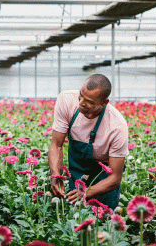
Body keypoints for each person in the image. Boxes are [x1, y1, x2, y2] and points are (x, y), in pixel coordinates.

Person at [48, 74, 128, 210]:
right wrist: (56, 175)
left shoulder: (116, 126)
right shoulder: (66, 100)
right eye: (81, 95)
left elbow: (115, 177)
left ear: (104, 102)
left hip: (104, 179)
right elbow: (56, 145)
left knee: (102, 225)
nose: (81, 103)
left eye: (89, 101)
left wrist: (86, 192)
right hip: (78, 173)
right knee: (74, 219)